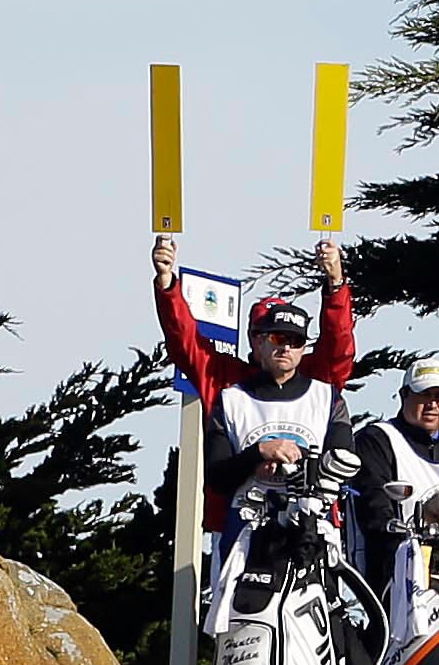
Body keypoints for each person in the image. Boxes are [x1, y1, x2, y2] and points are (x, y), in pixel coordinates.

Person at [152, 236, 357, 581]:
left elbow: (339, 347)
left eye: (293, 340)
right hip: (237, 528)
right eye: (272, 336)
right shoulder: (225, 381)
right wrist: (167, 283)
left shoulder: (316, 380)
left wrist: (335, 283)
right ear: (254, 339)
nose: (284, 347)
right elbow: (183, 341)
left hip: (310, 527)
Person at [350, 356, 439, 646]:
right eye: (423, 395)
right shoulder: (377, 439)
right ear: (404, 396)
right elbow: (373, 503)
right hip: (398, 578)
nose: (432, 404)